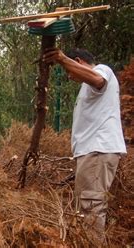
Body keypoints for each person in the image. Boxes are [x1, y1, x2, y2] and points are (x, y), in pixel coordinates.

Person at [44, 48, 127, 245]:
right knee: (87, 209)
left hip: (97, 150)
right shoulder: (86, 86)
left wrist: (62, 59)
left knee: (90, 209)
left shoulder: (102, 70)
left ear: (79, 61)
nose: (70, 76)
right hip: (92, 152)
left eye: (69, 70)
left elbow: (98, 80)